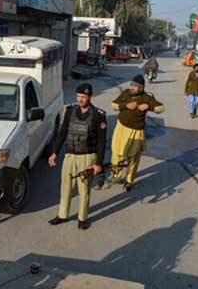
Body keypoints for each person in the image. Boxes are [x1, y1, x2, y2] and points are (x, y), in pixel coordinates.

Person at [48, 83, 107, 230]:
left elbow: (101, 141)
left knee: (84, 189)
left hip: (87, 157)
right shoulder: (70, 111)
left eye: (83, 97)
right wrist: (55, 152)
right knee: (65, 187)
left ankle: (82, 218)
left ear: (90, 97)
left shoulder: (98, 115)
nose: (80, 100)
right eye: (78, 96)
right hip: (70, 156)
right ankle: (62, 215)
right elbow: (62, 132)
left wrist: (98, 163)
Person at [109, 74, 165, 191]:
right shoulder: (125, 93)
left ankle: (129, 180)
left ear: (141, 87)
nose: (132, 87)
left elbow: (161, 108)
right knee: (116, 153)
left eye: (135, 86)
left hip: (136, 131)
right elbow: (113, 105)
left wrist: (149, 106)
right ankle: (116, 175)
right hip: (121, 128)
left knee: (133, 157)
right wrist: (125, 105)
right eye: (131, 85)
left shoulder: (147, 97)